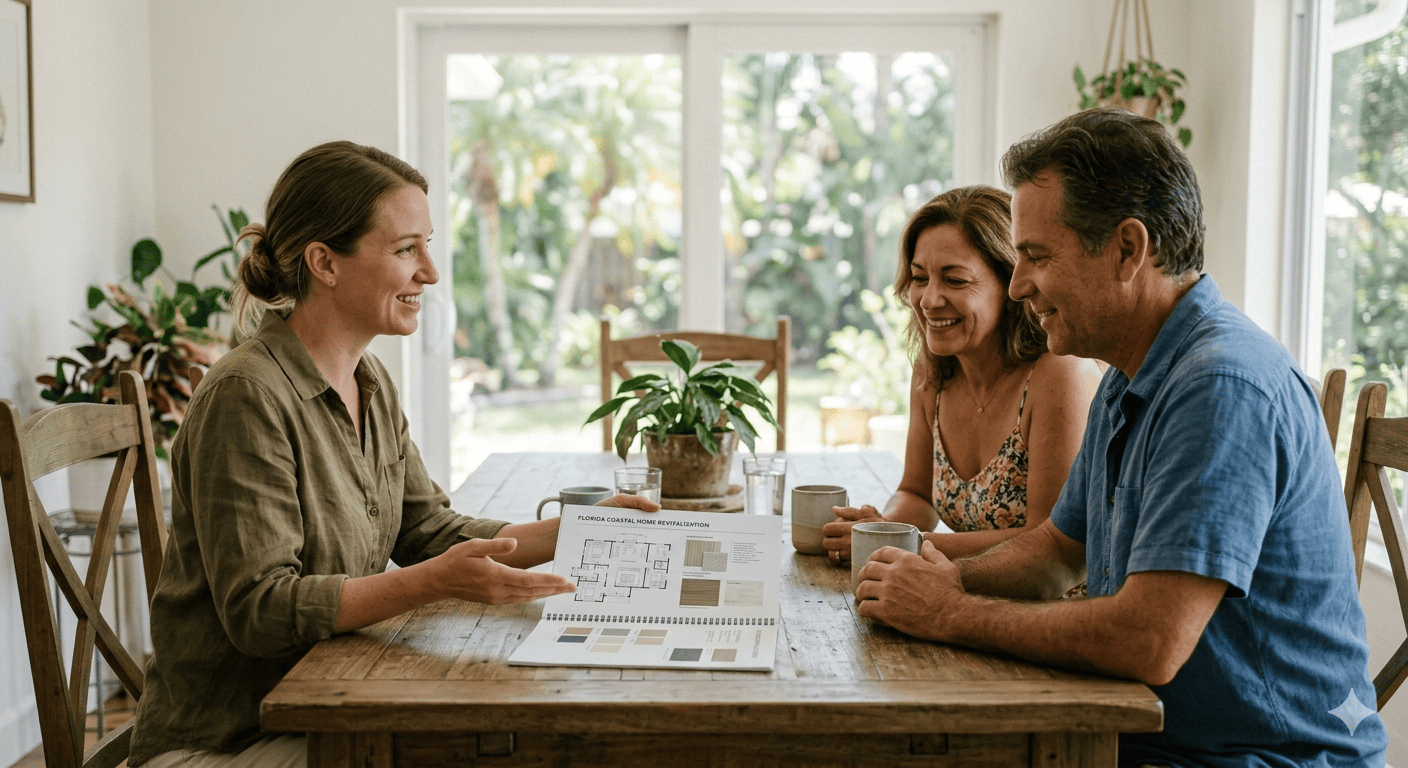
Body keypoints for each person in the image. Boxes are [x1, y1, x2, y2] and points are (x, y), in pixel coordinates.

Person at [854, 108, 1388, 766]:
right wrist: (938, 577)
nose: (1020, 285)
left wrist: (948, 613)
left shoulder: (1219, 385)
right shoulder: (1133, 370)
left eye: (1037, 257)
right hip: (1152, 736)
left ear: (1129, 250)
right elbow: (1056, 550)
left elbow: (1148, 640)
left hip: (1253, 758)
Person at [128, 141, 659, 767]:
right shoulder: (247, 397)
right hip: (230, 742)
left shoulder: (368, 380)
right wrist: (430, 583)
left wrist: (579, 530)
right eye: (407, 249)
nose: (430, 272)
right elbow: (261, 612)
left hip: (329, 711)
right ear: (324, 262)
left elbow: (426, 528)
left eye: (426, 246)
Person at [820, 186, 1092, 568]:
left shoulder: (1058, 371)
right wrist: (880, 528)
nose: (929, 300)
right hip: (965, 593)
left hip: (1046, 614)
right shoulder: (932, 370)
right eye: (919, 277)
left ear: (1011, 284)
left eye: (955, 280)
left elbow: (1047, 541)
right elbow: (915, 494)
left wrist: (910, 544)